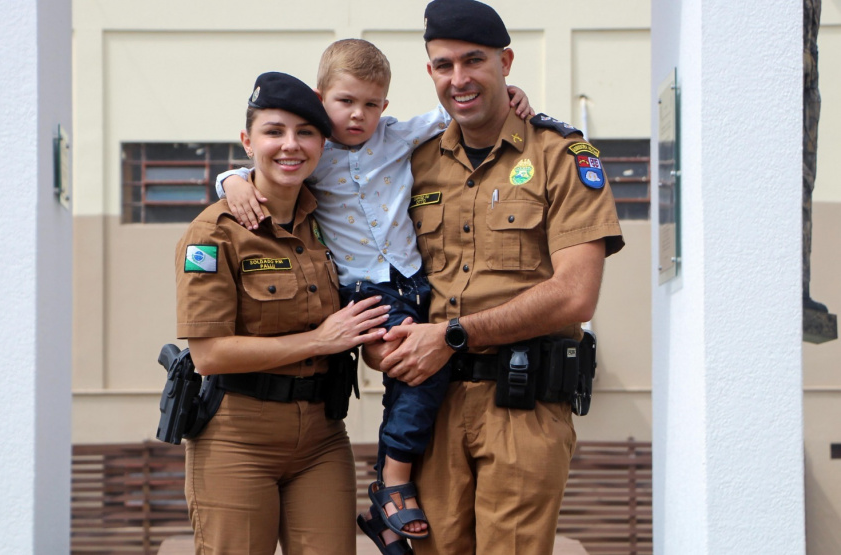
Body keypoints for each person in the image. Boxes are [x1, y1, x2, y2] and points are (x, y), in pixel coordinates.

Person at [214, 39, 535, 555]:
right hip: (363, 288)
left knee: (422, 374)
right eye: (344, 102)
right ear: (321, 99)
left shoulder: (398, 136)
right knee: (419, 368)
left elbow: (458, 111)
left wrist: (511, 94)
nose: (357, 115)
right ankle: (394, 479)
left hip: (414, 280)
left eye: (370, 104)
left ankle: (387, 498)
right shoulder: (312, 154)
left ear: (385, 105)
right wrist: (231, 181)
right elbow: (263, 167)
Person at [365, 1, 626, 554]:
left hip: (522, 406)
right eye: (443, 65)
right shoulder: (412, 161)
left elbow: (575, 295)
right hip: (429, 407)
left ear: (505, 62)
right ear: (430, 72)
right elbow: (346, 212)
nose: (458, 78)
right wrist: (379, 343)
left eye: (474, 60)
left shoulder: (562, 156)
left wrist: (452, 335)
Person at [174, 71, 392, 555]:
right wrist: (320, 341)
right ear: (247, 141)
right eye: (274, 131)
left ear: (322, 144)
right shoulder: (214, 233)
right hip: (237, 437)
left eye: (305, 132)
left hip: (321, 436)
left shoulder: (331, 216)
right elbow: (209, 354)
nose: (291, 145)